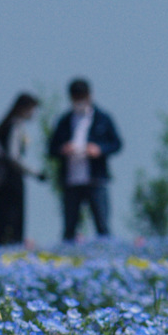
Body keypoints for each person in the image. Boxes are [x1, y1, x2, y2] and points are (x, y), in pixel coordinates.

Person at [48, 78, 123, 242]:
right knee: (69, 228)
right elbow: (51, 148)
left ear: (89, 96)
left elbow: (117, 144)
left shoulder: (103, 118)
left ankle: (105, 256)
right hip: (71, 180)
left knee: (102, 224)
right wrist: (63, 149)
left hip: (95, 178)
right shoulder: (65, 120)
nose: (79, 102)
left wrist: (99, 149)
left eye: (82, 97)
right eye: (76, 98)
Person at [0, 92, 46, 245]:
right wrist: (36, 173)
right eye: (32, 109)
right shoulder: (15, 125)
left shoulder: (6, 125)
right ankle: (9, 248)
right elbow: (14, 156)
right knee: (11, 220)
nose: (33, 114)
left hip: (2, 182)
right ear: (24, 108)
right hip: (10, 180)